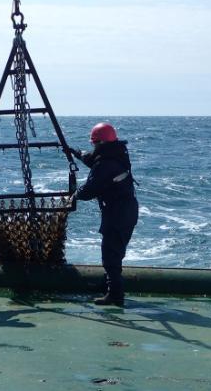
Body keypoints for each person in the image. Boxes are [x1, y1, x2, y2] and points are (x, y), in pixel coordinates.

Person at [70, 122, 138, 307]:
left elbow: (90, 189)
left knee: (110, 256)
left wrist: (74, 195)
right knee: (115, 252)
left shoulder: (106, 164)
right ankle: (110, 285)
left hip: (118, 215)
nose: (93, 146)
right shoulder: (115, 154)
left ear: (99, 142)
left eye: (94, 143)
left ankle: (115, 296)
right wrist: (77, 154)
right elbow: (94, 160)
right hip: (126, 212)